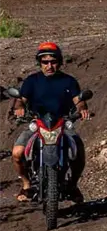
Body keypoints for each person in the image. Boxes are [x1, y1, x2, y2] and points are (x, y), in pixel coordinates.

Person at [10, 42, 90, 203]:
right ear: (39, 63)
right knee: (17, 153)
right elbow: (21, 100)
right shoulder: (32, 81)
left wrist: (82, 109)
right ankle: (26, 185)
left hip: (62, 122)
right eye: (45, 62)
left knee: (79, 151)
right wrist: (19, 108)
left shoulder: (69, 81)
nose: (49, 65)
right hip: (37, 123)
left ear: (59, 62)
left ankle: (73, 185)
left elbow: (78, 100)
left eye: (53, 61)